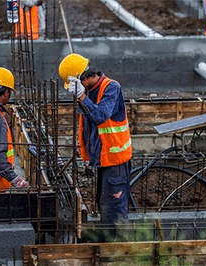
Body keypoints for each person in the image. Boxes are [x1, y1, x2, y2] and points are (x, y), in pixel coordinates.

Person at [58, 53, 132, 241]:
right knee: (104, 204)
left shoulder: (111, 88)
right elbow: (88, 123)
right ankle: (111, 245)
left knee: (114, 208)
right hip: (103, 159)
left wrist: (82, 95)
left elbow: (100, 116)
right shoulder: (90, 91)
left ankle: (121, 250)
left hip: (115, 159)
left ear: (83, 78)